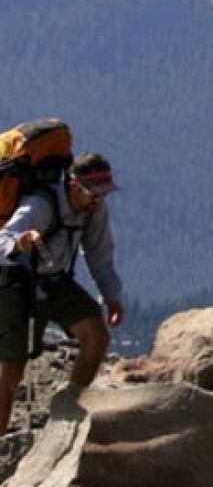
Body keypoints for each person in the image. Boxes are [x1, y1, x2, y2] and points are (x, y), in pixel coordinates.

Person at [0, 152, 123, 435]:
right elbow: (2, 240)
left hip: (55, 282)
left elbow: (99, 253)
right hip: (16, 283)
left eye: (103, 193)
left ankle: (69, 409)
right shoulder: (40, 205)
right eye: (93, 192)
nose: (98, 199)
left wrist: (112, 295)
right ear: (72, 184)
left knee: (97, 336)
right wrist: (20, 243)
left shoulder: (94, 209)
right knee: (11, 372)